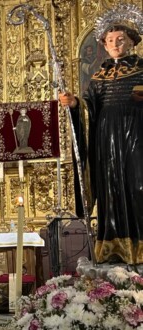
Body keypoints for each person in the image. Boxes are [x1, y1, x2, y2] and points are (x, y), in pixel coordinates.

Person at [59, 21, 143, 265]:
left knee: (137, 185)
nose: (115, 44)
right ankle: (114, 247)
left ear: (131, 42)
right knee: (111, 190)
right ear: (105, 46)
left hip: (135, 136)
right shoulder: (99, 77)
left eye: (120, 39)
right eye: (110, 41)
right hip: (106, 142)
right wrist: (75, 104)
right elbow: (89, 109)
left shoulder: (141, 69)